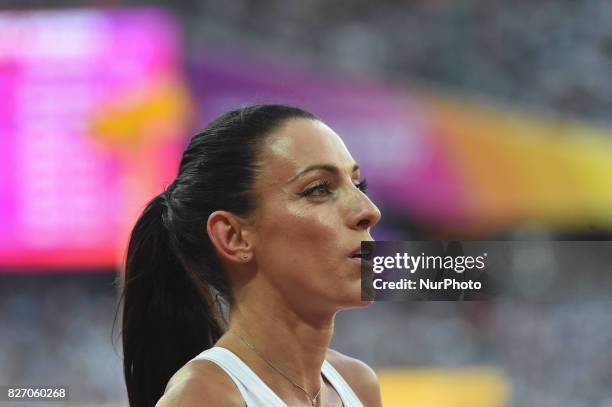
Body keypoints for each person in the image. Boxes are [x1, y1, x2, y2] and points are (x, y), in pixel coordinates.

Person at [119, 104, 383, 406]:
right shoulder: (202, 399)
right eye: (318, 188)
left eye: (358, 184)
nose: (369, 211)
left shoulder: (358, 383)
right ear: (234, 236)